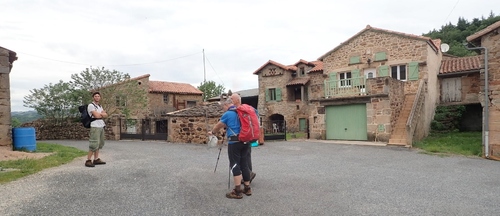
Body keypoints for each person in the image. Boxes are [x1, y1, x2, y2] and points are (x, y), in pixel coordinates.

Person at [208, 98, 252, 199]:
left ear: (227, 105)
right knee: (244, 164)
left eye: (222, 106)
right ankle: (247, 188)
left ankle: (237, 191)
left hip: (234, 142)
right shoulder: (241, 112)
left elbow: (219, 125)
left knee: (234, 164)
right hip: (246, 141)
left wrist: (212, 132)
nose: (222, 109)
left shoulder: (228, 114)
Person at [230, 93, 257, 184]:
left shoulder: (237, 111)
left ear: (237, 100)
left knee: (241, 158)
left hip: (241, 137)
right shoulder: (249, 109)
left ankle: (248, 175)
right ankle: (248, 174)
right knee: (246, 156)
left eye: (232, 99)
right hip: (248, 136)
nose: (231, 101)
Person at [85, 92, 108, 167]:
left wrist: (101, 114)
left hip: (101, 126)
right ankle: (88, 160)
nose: (97, 97)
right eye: (95, 96)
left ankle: (96, 159)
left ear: (100, 97)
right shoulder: (91, 106)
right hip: (95, 126)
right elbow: (97, 115)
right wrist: (101, 114)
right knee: (94, 143)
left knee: (99, 143)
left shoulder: (99, 106)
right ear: (93, 97)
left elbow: (106, 115)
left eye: (98, 96)